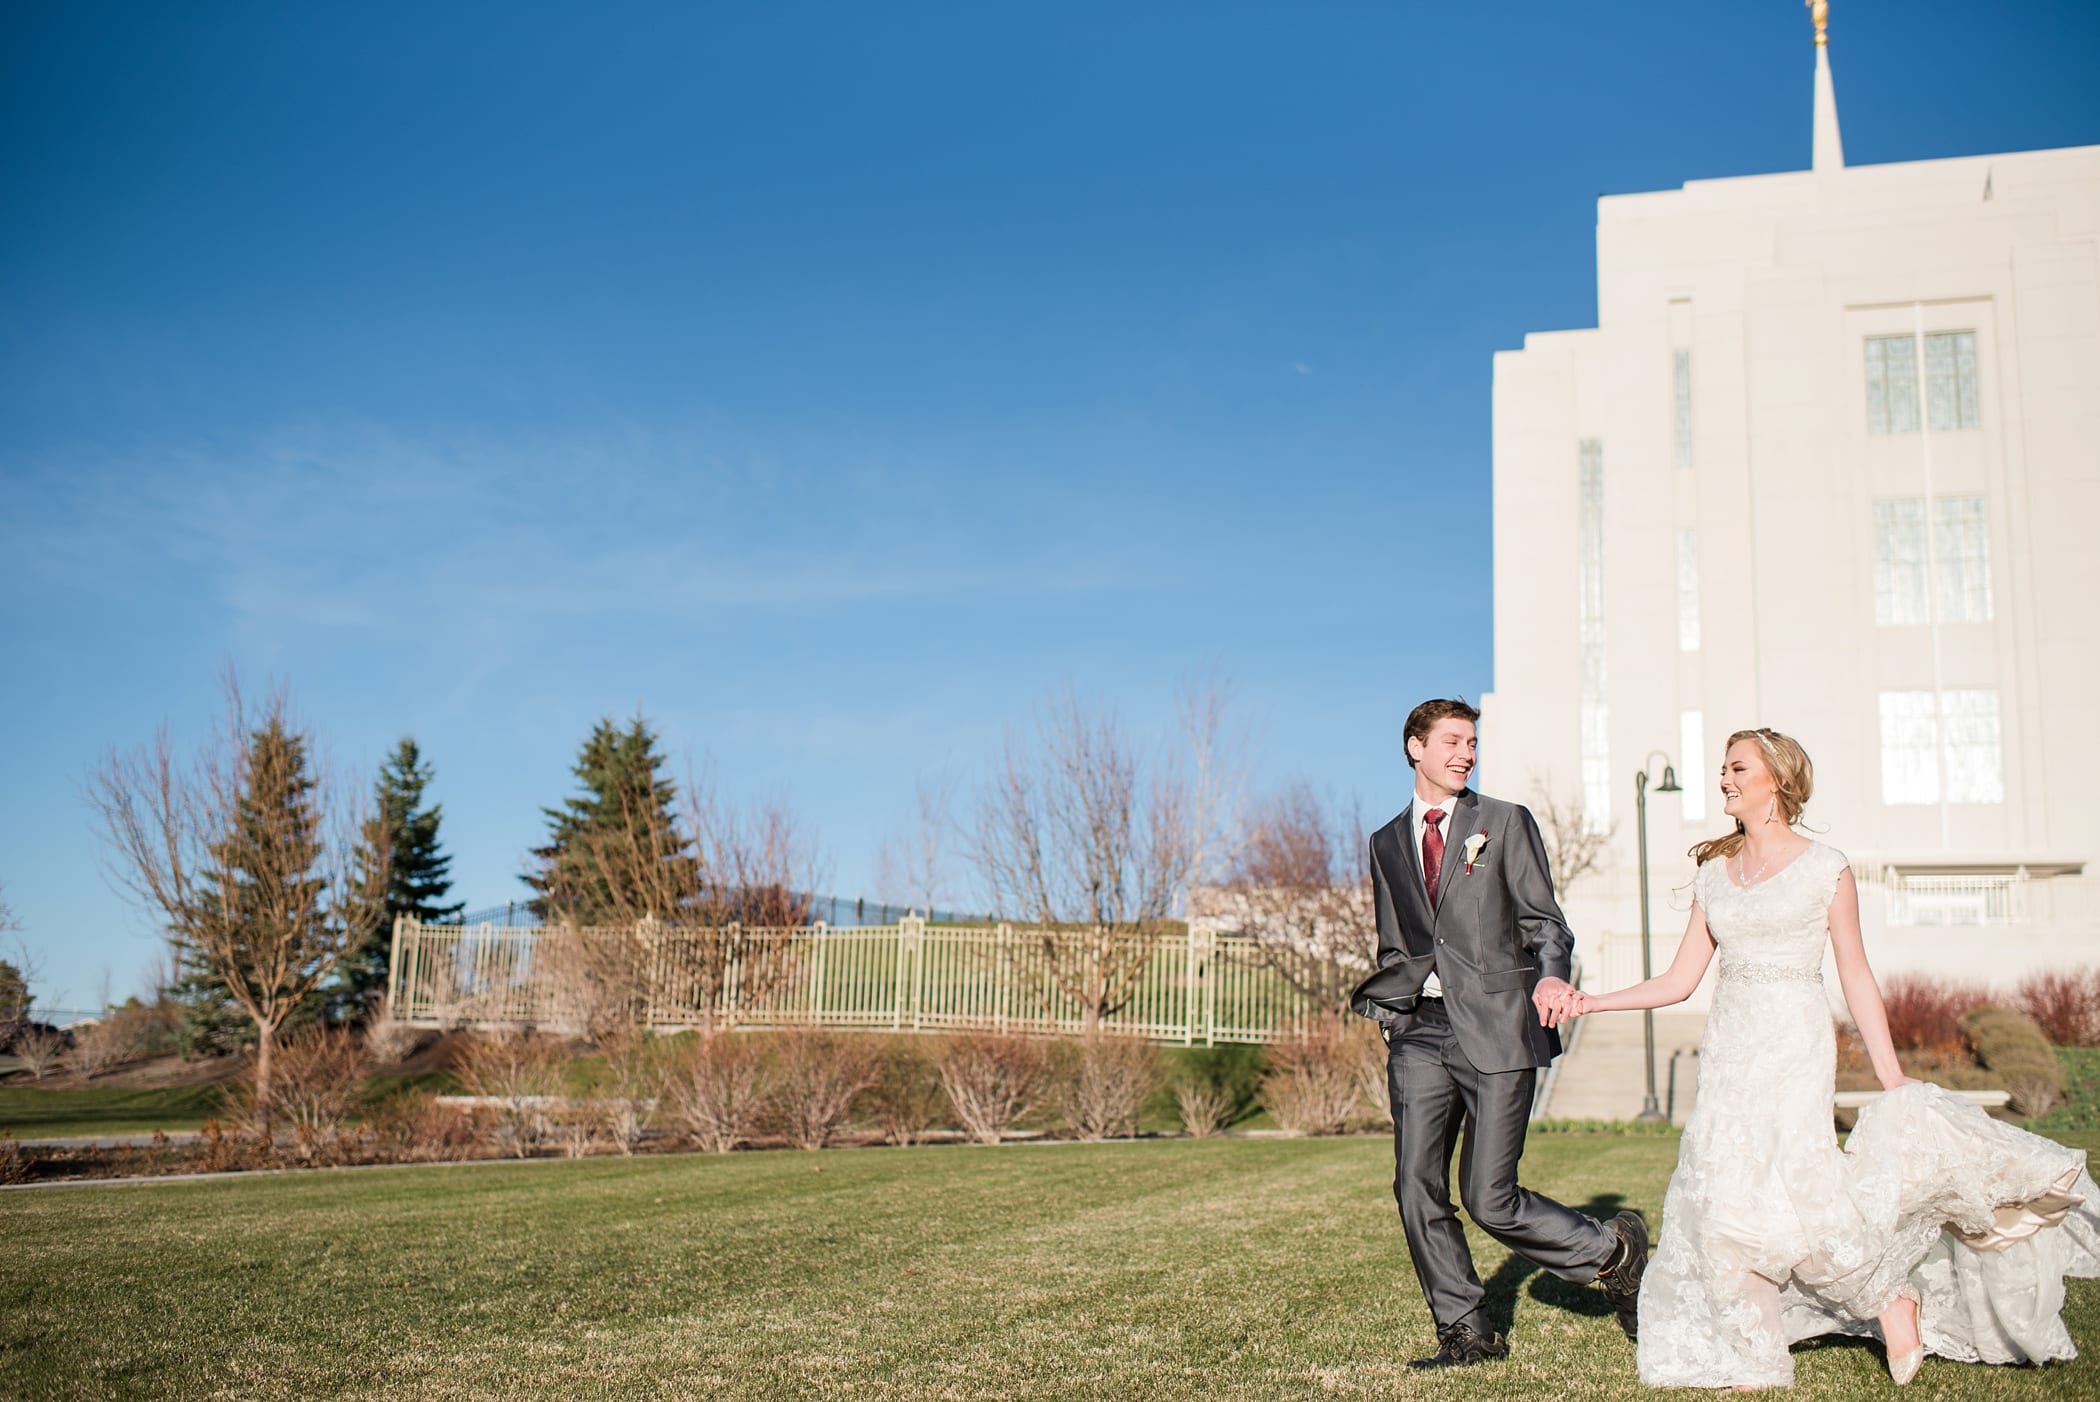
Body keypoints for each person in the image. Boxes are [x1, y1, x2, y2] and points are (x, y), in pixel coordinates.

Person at [1548, 727, 2100, 1388]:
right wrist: (1592, 1002)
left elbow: (1857, 977)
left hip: (1795, 1046)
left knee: (1803, 1204)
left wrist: (1890, 1073)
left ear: (1777, 779)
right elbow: (1678, 981)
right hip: (1730, 1054)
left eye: (1737, 768)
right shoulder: (1711, 879)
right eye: (1723, 769)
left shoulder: (1825, 868)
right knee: (1722, 1202)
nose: (1724, 779)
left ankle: (1890, 1301)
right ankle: (1756, 1354)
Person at [1351, 698, 1648, 1370]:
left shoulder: (1504, 823)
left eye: (1472, 743)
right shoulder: (1386, 842)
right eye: (1453, 741)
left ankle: (1612, 1253)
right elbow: (1396, 941)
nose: (1466, 753)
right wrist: (1397, 1013)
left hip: (1498, 1028)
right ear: (1414, 748)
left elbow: (1548, 924)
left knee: (1489, 1196)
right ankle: (1465, 1331)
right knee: (1415, 1186)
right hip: (1421, 1033)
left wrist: (1550, 977)